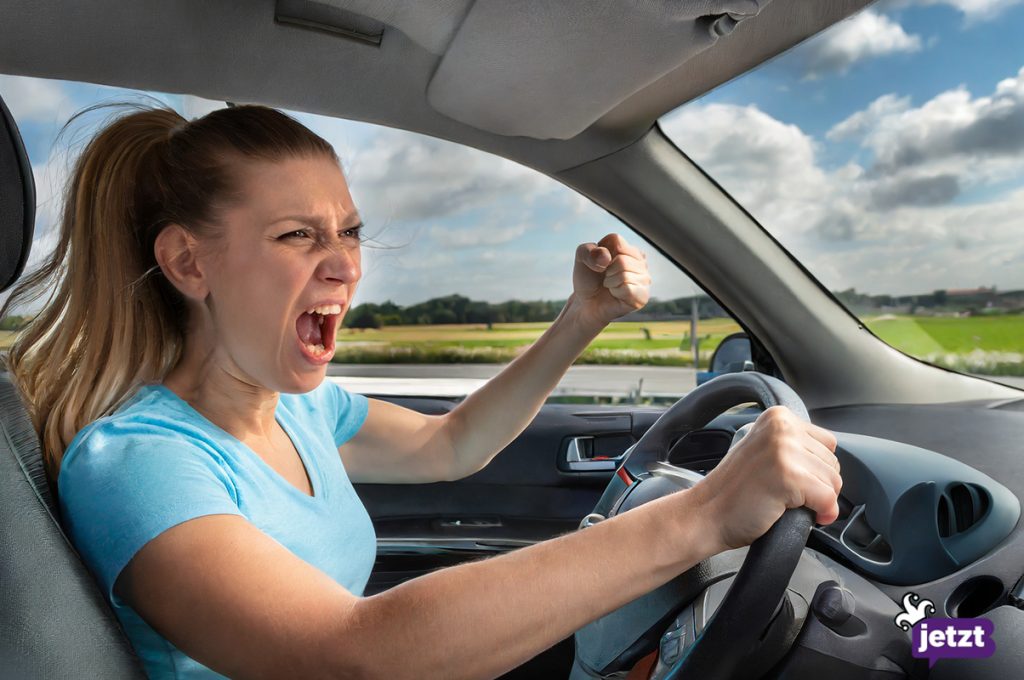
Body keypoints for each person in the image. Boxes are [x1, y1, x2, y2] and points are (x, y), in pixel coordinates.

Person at [2, 104, 842, 679]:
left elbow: (455, 445)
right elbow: (353, 655)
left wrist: (583, 316)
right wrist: (700, 515)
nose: (345, 263)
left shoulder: (301, 408)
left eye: (351, 231)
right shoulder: (139, 463)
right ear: (191, 262)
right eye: (299, 235)